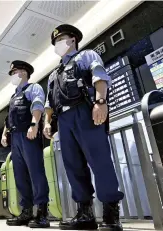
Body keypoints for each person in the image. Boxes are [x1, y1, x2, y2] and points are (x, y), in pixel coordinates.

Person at [43, 24, 124, 231]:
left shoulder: (86, 56)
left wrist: (100, 103)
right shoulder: (54, 74)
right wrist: (46, 122)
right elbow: (49, 103)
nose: (57, 44)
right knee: (73, 167)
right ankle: (85, 214)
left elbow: (99, 77)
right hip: (64, 120)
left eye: (61, 39)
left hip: (85, 113)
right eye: (55, 41)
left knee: (100, 161)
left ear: (73, 39)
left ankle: (110, 214)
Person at [1, 61, 50, 228]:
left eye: (14, 72)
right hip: (15, 138)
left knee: (36, 174)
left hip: (29, 134)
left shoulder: (33, 88)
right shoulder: (13, 96)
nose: (12, 76)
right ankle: (26, 211)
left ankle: (42, 212)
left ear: (23, 72)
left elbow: (38, 104)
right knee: (20, 175)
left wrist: (34, 124)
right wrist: (4, 133)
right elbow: (9, 118)